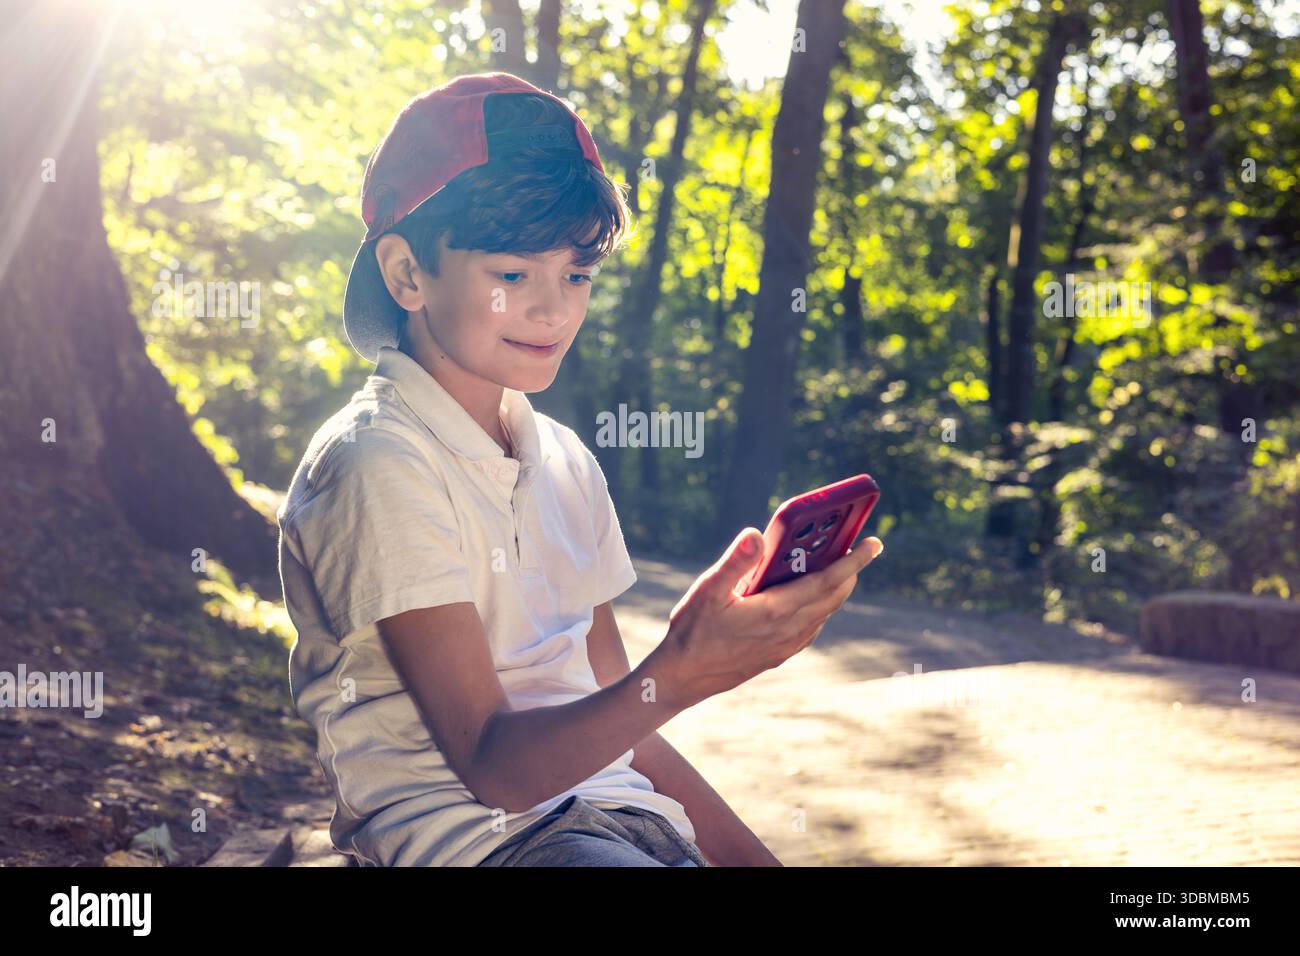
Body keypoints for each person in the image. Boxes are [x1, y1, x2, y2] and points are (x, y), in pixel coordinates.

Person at [275, 72, 884, 867]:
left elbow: (628, 728)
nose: (554, 310)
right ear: (406, 275)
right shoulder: (376, 461)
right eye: (513, 275)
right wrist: (683, 669)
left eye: (577, 274)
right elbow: (496, 767)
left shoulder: (563, 458)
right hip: (484, 844)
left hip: (630, 820)